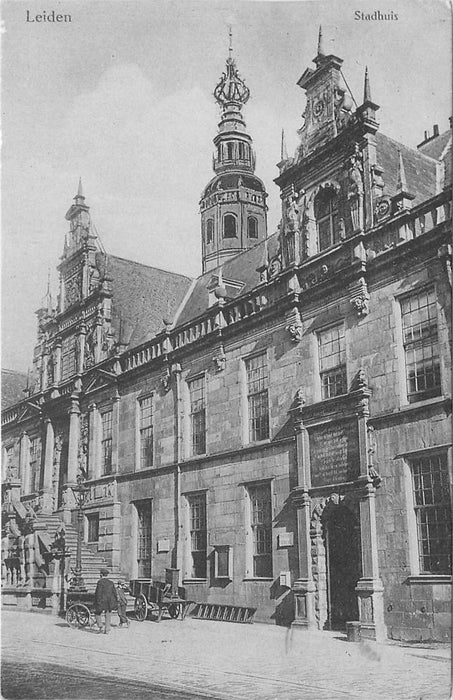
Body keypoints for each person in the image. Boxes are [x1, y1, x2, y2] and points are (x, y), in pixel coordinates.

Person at [94, 568, 117, 634]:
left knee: (97, 613)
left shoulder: (100, 582)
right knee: (108, 615)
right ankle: (107, 629)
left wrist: (97, 601)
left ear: (101, 575)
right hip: (109, 602)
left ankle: (100, 626)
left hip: (101, 601)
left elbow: (98, 593)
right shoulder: (111, 583)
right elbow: (114, 593)